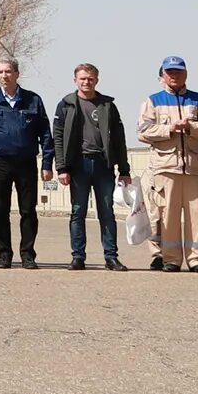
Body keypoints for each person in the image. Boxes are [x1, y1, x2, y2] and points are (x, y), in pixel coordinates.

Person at [0, 57, 52, 268]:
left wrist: (47, 164)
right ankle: (4, 254)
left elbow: (45, 134)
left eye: (8, 71)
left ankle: (27, 255)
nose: (5, 76)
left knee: (28, 211)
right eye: (1, 72)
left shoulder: (33, 100)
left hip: (26, 162)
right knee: (0, 211)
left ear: (17, 74)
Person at [137, 57, 198, 271]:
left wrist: (191, 128)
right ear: (162, 76)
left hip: (196, 167)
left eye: (178, 72)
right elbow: (143, 132)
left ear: (186, 74)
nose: (174, 76)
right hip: (166, 167)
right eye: (170, 72)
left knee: (197, 216)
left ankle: (197, 259)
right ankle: (170, 259)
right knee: (167, 215)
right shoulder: (153, 101)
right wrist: (170, 128)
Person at [52, 64, 130, 270]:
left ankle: (111, 256)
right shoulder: (66, 104)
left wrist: (124, 169)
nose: (86, 82)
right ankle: (78, 256)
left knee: (107, 211)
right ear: (75, 80)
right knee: (78, 211)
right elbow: (57, 138)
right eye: (83, 78)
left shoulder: (107, 106)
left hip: (103, 165)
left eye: (90, 79)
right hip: (78, 165)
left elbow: (119, 140)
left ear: (97, 80)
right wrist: (62, 168)